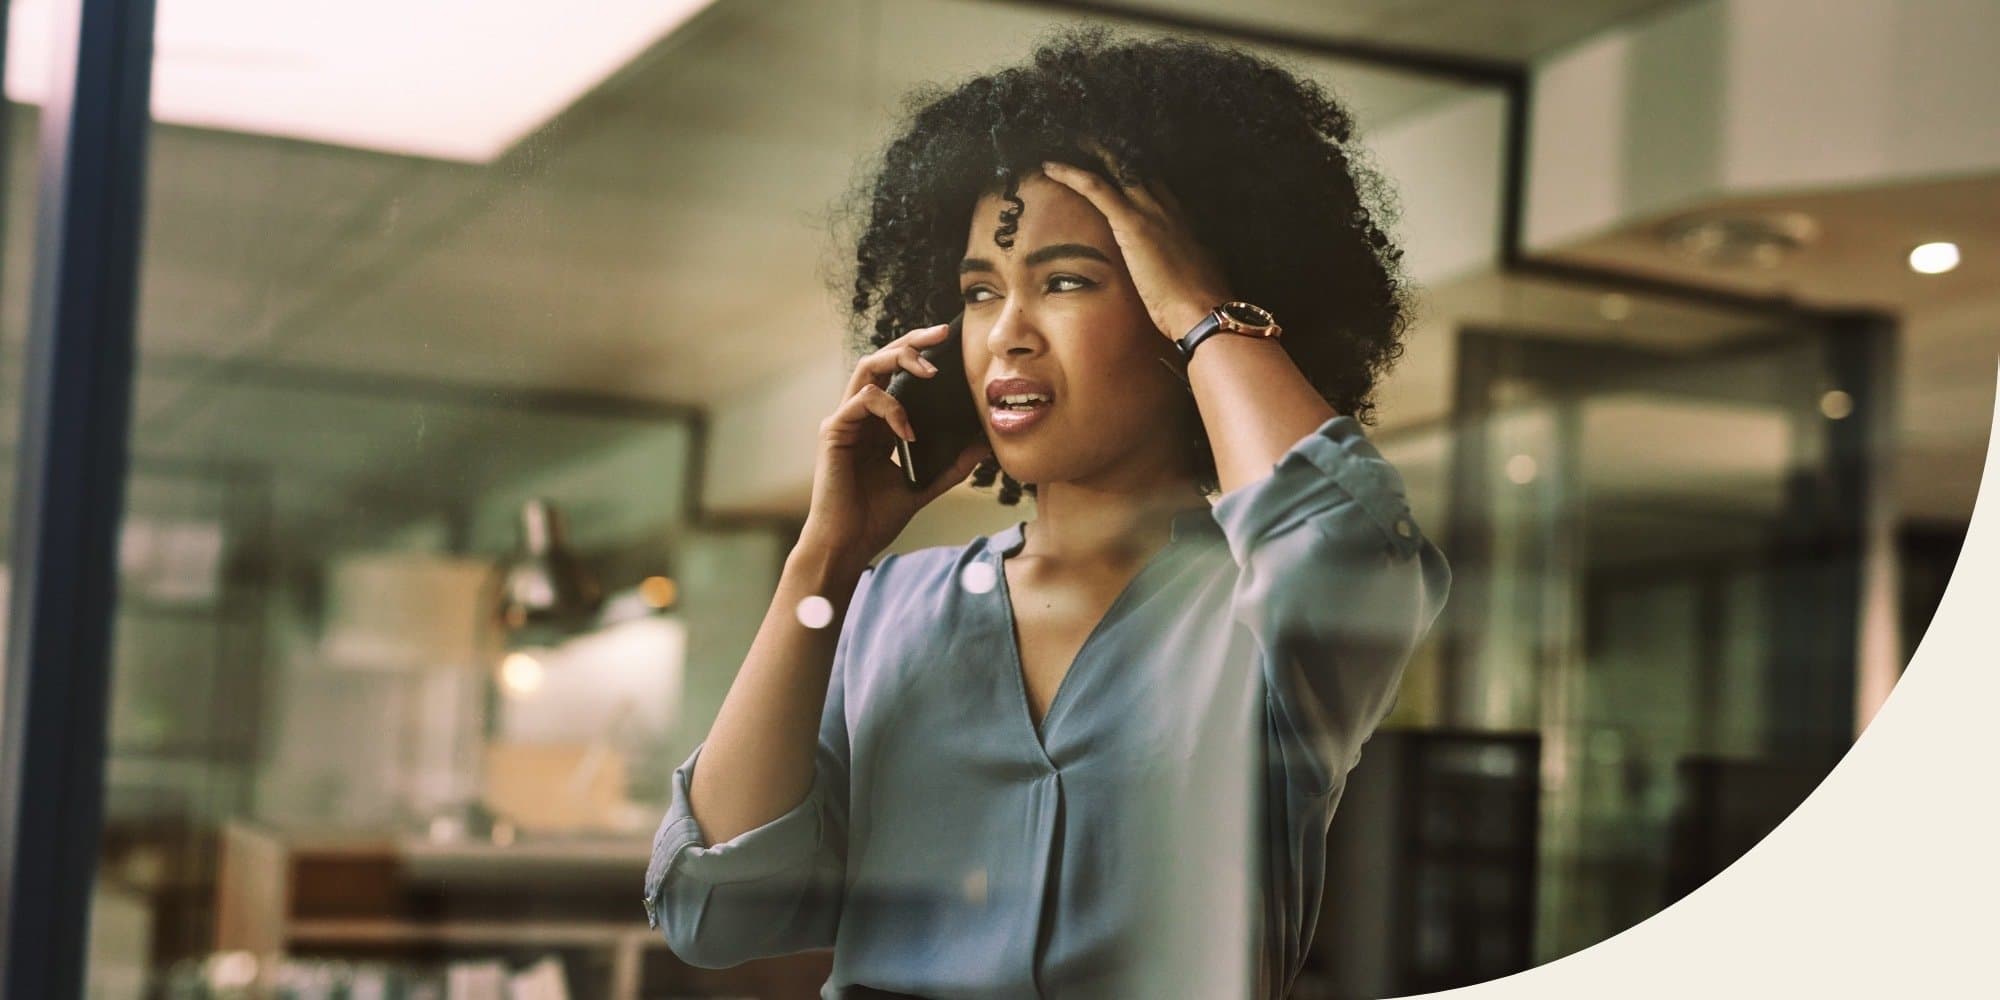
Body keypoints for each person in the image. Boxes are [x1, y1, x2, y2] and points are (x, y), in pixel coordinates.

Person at [642, 28, 1452, 999]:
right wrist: (822, 565)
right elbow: (711, 909)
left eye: (1066, 281)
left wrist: (1202, 308)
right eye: (979, 293)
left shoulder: (1258, 607)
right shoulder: (886, 607)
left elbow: (1349, 552)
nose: (1007, 334)